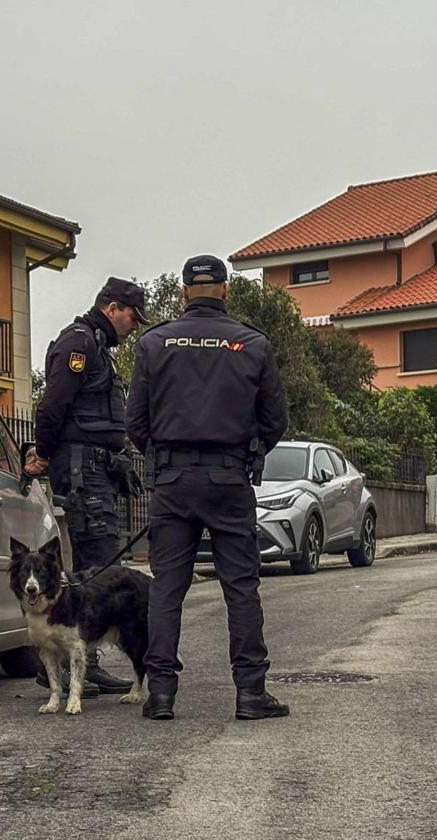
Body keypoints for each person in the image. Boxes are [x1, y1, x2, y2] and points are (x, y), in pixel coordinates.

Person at [126, 255, 290, 722]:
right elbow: (275, 419)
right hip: (229, 478)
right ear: (224, 290)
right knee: (240, 587)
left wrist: (163, 455)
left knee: (167, 590)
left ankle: (160, 695)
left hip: (173, 482)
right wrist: (247, 452)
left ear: (182, 293)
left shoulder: (154, 343)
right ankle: (251, 693)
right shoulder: (253, 344)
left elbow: (135, 420)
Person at [25, 276, 149, 695]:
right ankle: (66, 664)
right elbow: (55, 403)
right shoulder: (79, 344)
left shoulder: (99, 348)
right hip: (81, 472)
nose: (134, 326)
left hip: (96, 469)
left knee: (97, 564)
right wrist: (42, 452)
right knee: (95, 565)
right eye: (132, 317)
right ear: (112, 307)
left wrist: (118, 457)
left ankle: (82, 658)